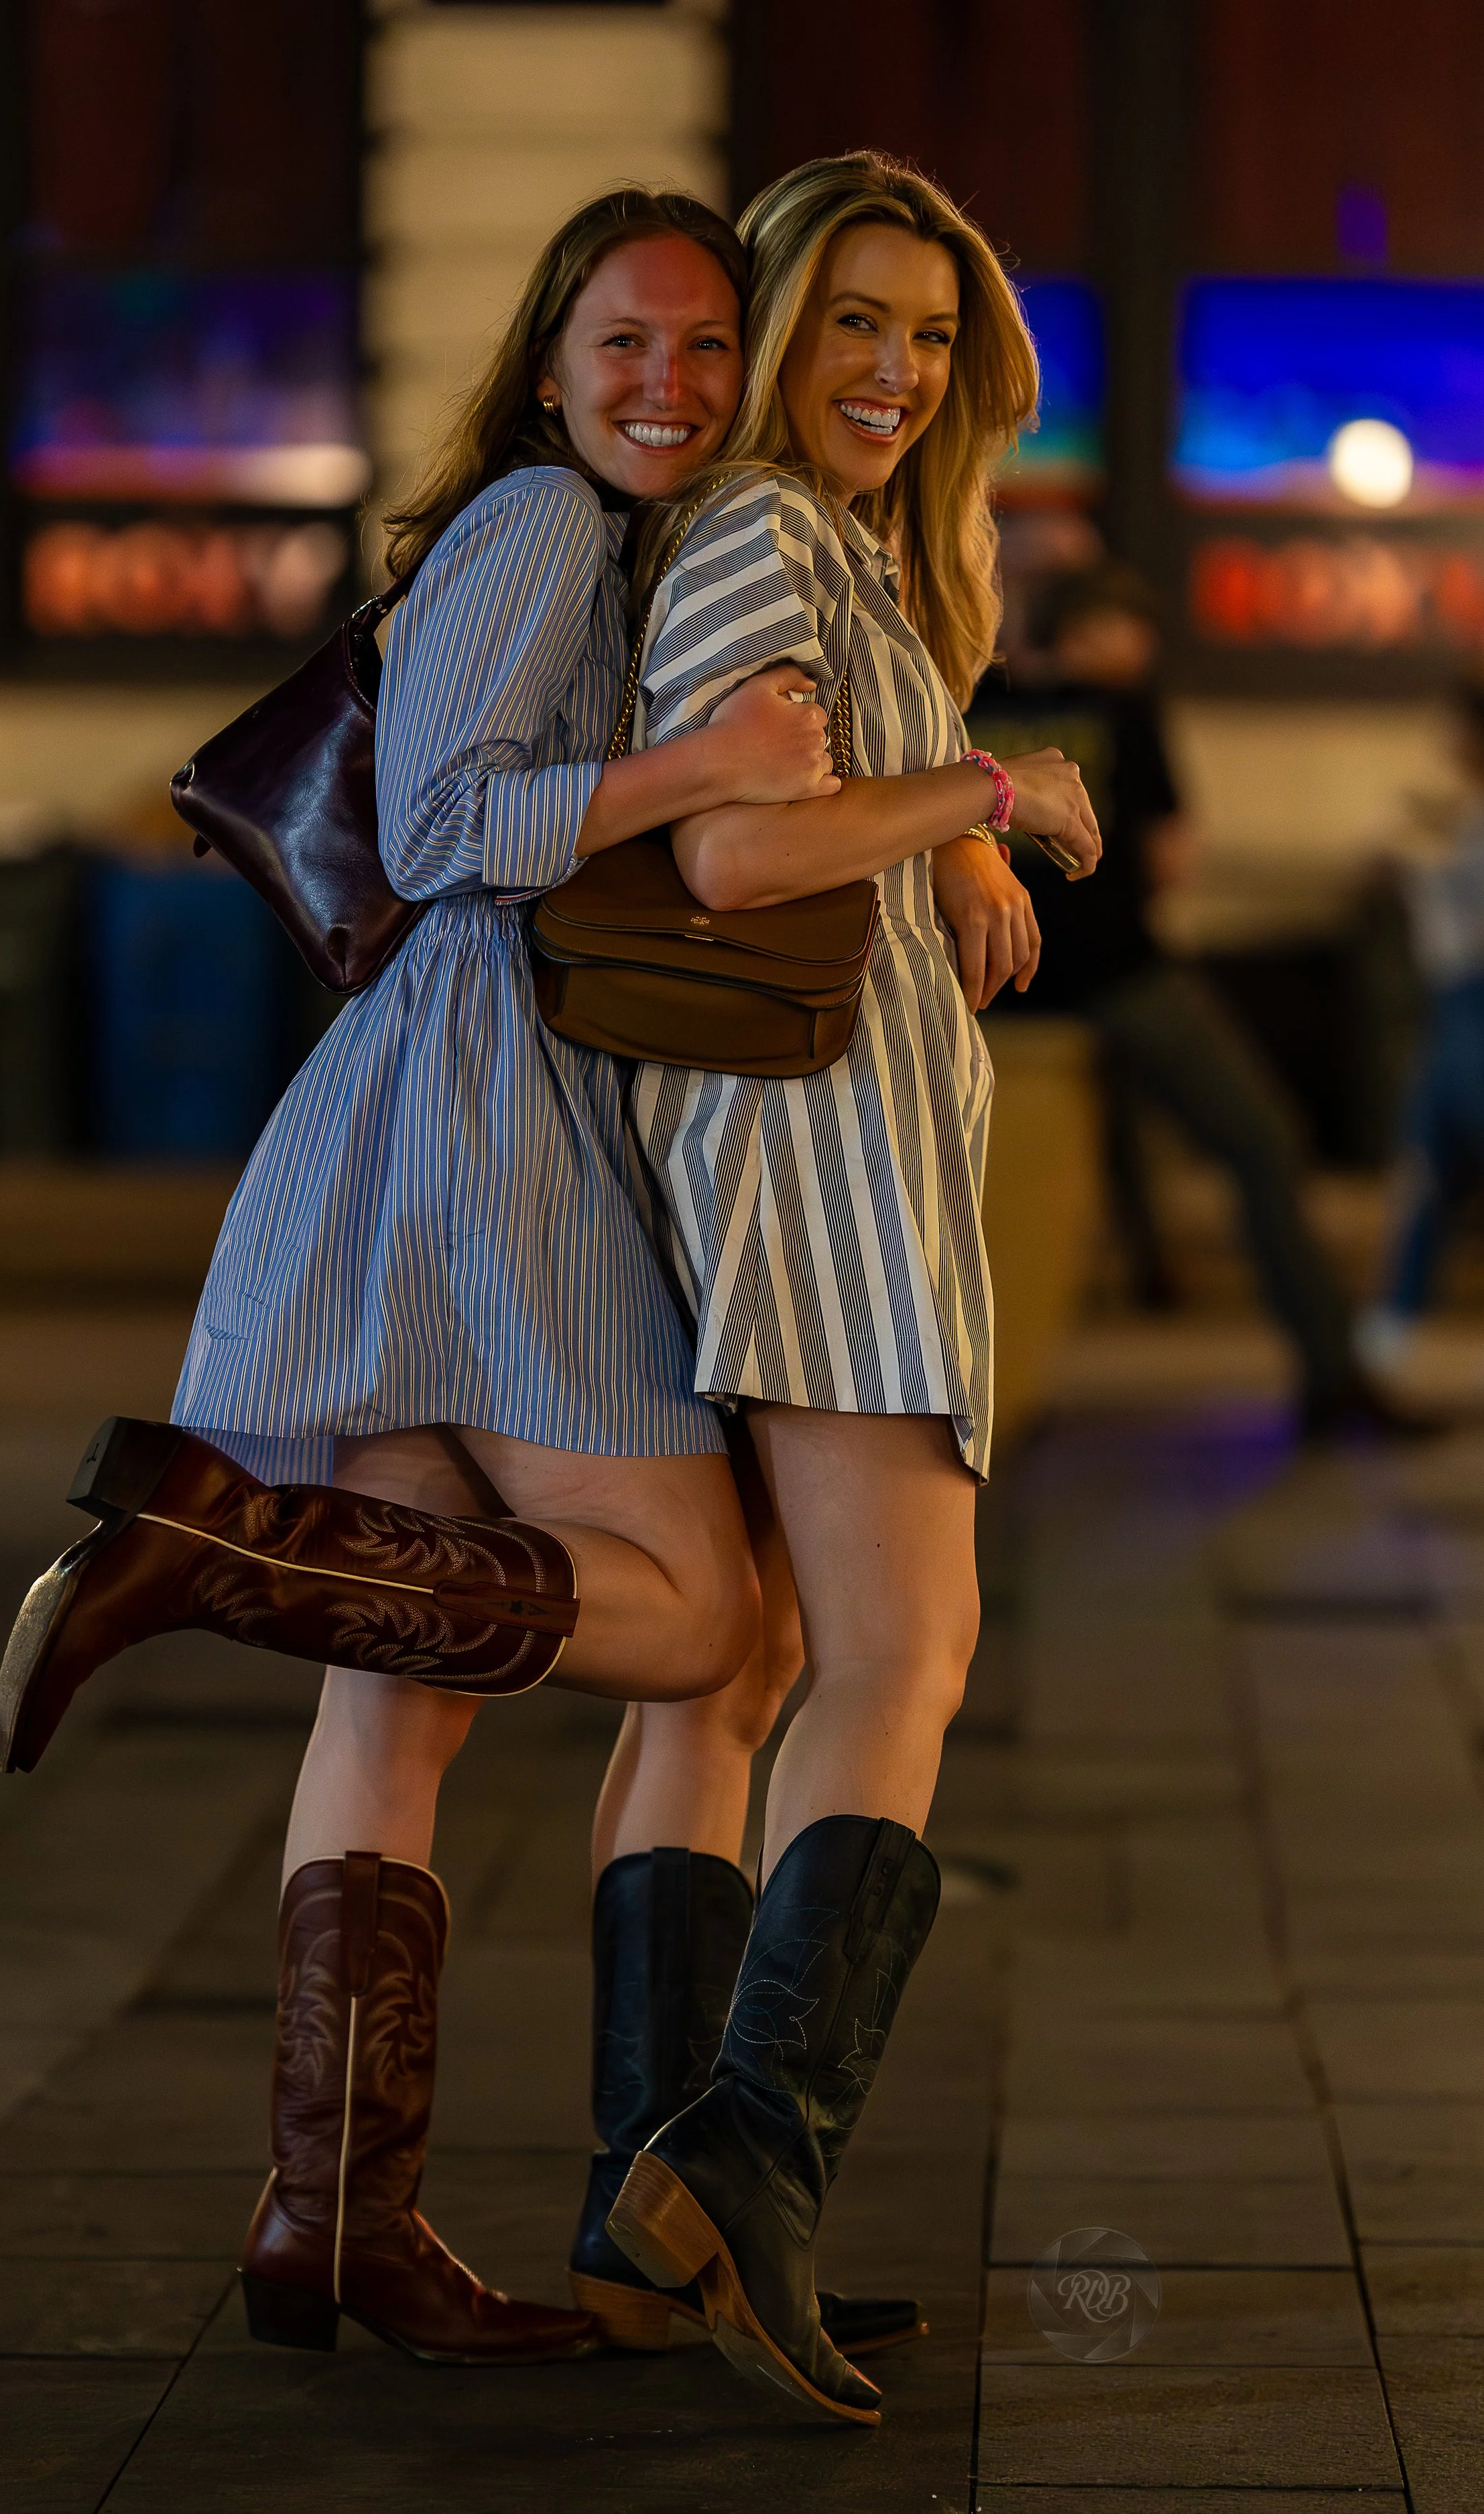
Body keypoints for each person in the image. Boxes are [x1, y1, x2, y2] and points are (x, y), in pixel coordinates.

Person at [0, 189, 845, 2372]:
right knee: (705, 1614)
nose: (666, 381)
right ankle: (216, 1545)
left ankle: (332, 2213)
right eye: (624, 341)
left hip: (441, 1110)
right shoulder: (541, 523)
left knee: (399, 1695)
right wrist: (710, 767)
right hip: (489, 1110)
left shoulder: (591, 537)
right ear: (548, 365)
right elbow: (447, 826)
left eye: (704, 348)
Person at [601, 152, 1102, 2426]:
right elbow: (731, 845)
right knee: (909, 1648)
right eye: (852, 324)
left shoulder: (841, 544)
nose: (893, 370)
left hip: (791, 1149)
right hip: (816, 1165)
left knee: (738, 1671)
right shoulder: (767, 528)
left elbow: (829, 807)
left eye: (929, 334)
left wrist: (948, 825)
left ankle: (645, 2210)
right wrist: (989, 788)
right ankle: (748, 2159)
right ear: (782, 329)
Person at [968, 559, 1416, 1440]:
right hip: (1120, 976)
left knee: (1003, 1185)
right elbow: (1169, 857)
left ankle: (988, 1382)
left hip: (997, 991)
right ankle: (1332, 1375)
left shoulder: (977, 706)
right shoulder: (1126, 709)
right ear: (1099, 630)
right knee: (1261, 1142)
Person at [1361, 676, 1484, 1356]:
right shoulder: (1461, 816)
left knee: (1435, 1159)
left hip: (1473, 1000)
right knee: (1429, 1164)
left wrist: (1417, 863)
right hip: (1453, 1005)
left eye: (1457, 728)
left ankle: (1388, 1329)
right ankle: (1388, 1329)